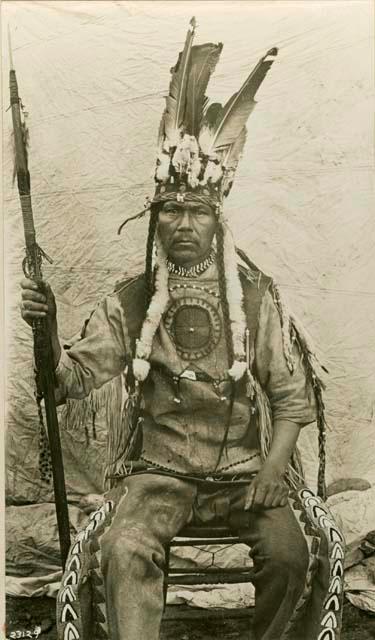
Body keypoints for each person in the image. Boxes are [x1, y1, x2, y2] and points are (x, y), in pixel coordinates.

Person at [20, 19, 344, 640]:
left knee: (293, 556)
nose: (185, 223)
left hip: (248, 471)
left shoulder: (254, 298)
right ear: (157, 219)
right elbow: (67, 381)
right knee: (124, 550)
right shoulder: (133, 300)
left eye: (198, 210)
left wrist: (276, 466)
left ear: (218, 220)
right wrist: (51, 325)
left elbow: (291, 397)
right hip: (158, 474)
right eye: (173, 210)